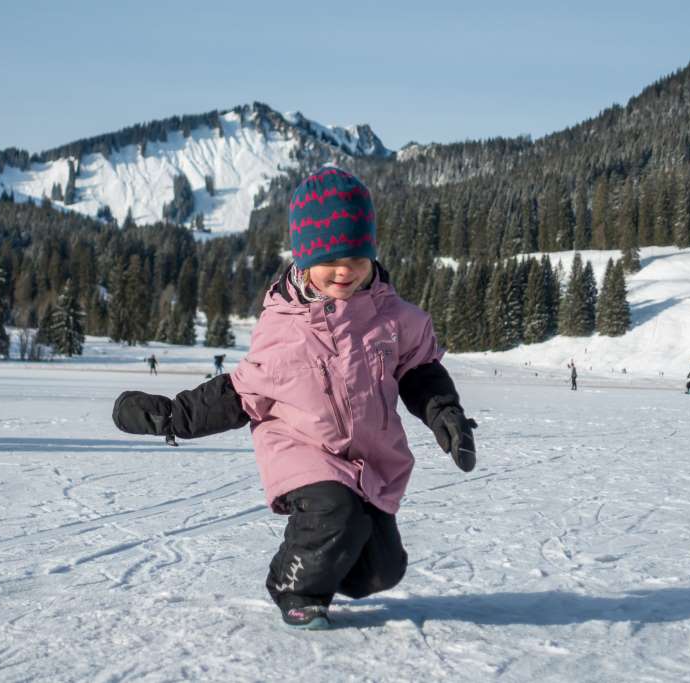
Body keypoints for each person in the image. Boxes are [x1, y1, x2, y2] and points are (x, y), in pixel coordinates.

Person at [112, 167, 477, 630]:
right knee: (334, 511)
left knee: (381, 572)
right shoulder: (286, 326)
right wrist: (170, 417)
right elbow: (240, 392)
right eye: (331, 258)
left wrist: (445, 413)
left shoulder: (394, 318)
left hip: (370, 458)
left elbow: (420, 370)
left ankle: (330, 561)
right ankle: (294, 587)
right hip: (302, 450)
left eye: (357, 257)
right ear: (305, 259)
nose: (344, 269)